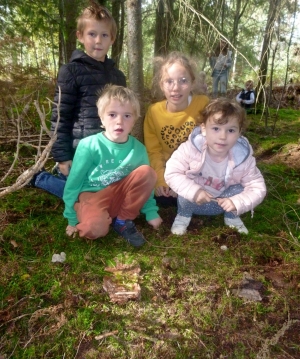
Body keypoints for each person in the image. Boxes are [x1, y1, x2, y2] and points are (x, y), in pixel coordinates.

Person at [29, 2, 126, 198]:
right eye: (92, 34)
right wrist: (63, 158)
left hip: (108, 154)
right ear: (80, 36)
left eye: (104, 35)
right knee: (85, 197)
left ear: (112, 39)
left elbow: (123, 117)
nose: (98, 40)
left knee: (116, 195)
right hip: (79, 152)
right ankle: (43, 178)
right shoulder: (70, 72)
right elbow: (60, 118)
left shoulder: (118, 76)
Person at [63, 85, 162, 247]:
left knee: (147, 173)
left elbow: (146, 185)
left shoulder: (138, 149)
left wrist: (151, 211)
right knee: (93, 230)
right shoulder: (89, 145)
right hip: (93, 196)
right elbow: (74, 182)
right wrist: (72, 218)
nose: (119, 121)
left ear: (135, 120)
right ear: (101, 118)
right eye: (112, 114)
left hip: (121, 195)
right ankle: (86, 212)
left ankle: (122, 220)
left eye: (127, 115)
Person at [164, 98, 266, 235]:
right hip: (193, 202)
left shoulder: (242, 158)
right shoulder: (190, 149)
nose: (223, 136)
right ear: (204, 129)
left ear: (239, 132)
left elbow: (257, 187)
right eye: (216, 128)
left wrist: (237, 202)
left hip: (223, 204)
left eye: (230, 130)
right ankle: (183, 217)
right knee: (185, 187)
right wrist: (194, 191)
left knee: (239, 188)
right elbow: (172, 172)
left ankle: (232, 218)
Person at [144, 51, 209, 206]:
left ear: (193, 83)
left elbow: (210, 147)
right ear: (161, 85)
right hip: (167, 170)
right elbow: (153, 151)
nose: (175, 88)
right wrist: (161, 180)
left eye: (183, 81)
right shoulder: (154, 112)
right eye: (169, 81)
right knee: (161, 199)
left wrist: (184, 181)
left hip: (196, 170)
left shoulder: (203, 105)